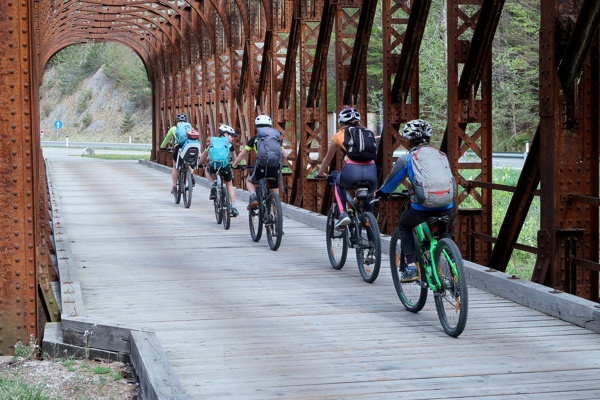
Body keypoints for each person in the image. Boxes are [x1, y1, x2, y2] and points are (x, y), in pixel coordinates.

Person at [377, 119, 455, 282]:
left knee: (404, 226)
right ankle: (455, 268)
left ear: (409, 140)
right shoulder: (441, 155)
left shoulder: (408, 158)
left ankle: (411, 267)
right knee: (443, 231)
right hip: (447, 204)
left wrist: (382, 193)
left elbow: (392, 181)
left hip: (423, 207)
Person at [316, 106, 378, 229]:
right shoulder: (368, 133)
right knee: (369, 203)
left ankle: (343, 214)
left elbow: (327, 159)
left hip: (352, 171)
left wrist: (320, 172)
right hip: (371, 171)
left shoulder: (339, 135)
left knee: (338, 184)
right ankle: (372, 237)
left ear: (341, 122)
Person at [231, 115, 287, 210]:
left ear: (257, 127)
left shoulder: (255, 138)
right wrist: (282, 165)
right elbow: (284, 155)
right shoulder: (275, 139)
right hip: (273, 168)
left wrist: (234, 164)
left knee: (249, 180)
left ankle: (253, 197)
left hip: (261, 167)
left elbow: (242, 154)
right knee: (275, 195)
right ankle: (277, 220)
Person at [198, 124, 239, 217]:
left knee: (207, 170)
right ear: (226, 134)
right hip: (225, 166)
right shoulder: (229, 144)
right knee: (229, 185)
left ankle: (213, 185)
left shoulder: (212, 142)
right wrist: (234, 163)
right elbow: (234, 156)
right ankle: (234, 207)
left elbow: (204, 154)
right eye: (231, 135)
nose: (232, 138)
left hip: (213, 166)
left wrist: (199, 163)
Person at [160, 113, 196, 194]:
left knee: (175, 166)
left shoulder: (173, 129)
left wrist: (162, 147)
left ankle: (174, 187)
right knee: (189, 163)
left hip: (178, 148)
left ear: (177, 121)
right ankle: (191, 176)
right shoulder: (190, 128)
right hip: (189, 147)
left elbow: (166, 139)